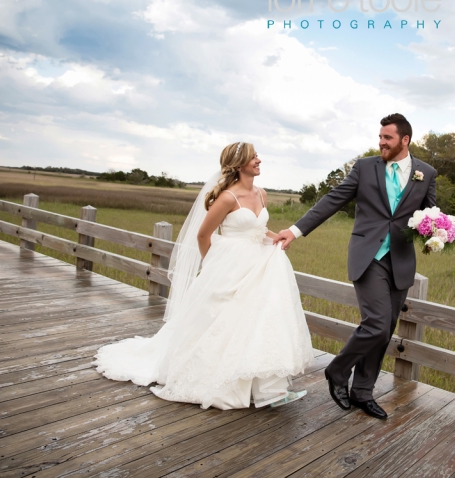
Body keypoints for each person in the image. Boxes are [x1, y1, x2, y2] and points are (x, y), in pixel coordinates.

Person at [94, 142, 315, 410]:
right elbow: (203, 235)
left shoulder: (261, 193)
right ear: (239, 163)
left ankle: (268, 389)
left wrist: (277, 237)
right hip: (230, 266)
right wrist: (214, 265)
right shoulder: (227, 198)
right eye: (253, 157)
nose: (259, 160)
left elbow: (259, 229)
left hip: (258, 265)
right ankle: (220, 380)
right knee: (223, 321)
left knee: (258, 320)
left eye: (257, 156)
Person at [274, 113, 436, 419]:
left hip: (400, 261)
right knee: (376, 322)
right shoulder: (364, 168)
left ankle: (363, 391)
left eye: (387, 138)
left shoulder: (426, 173)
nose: (381, 142)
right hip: (368, 256)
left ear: (405, 140)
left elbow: (430, 214)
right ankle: (337, 371)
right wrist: (295, 231)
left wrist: (437, 231)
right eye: (379, 137)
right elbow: (332, 200)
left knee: (385, 329)